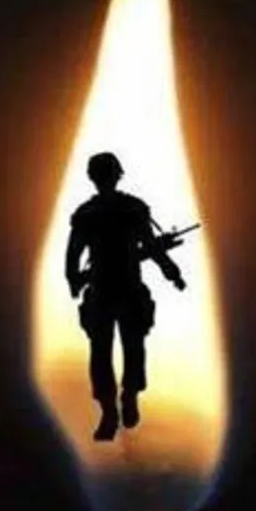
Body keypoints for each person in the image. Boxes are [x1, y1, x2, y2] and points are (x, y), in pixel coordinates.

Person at [64, 152, 193, 440]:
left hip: (105, 291)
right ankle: (124, 401)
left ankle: (113, 408)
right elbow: (153, 248)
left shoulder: (87, 213)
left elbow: (73, 256)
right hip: (125, 288)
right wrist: (173, 274)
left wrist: (73, 280)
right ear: (117, 175)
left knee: (104, 352)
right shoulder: (132, 208)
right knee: (130, 348)